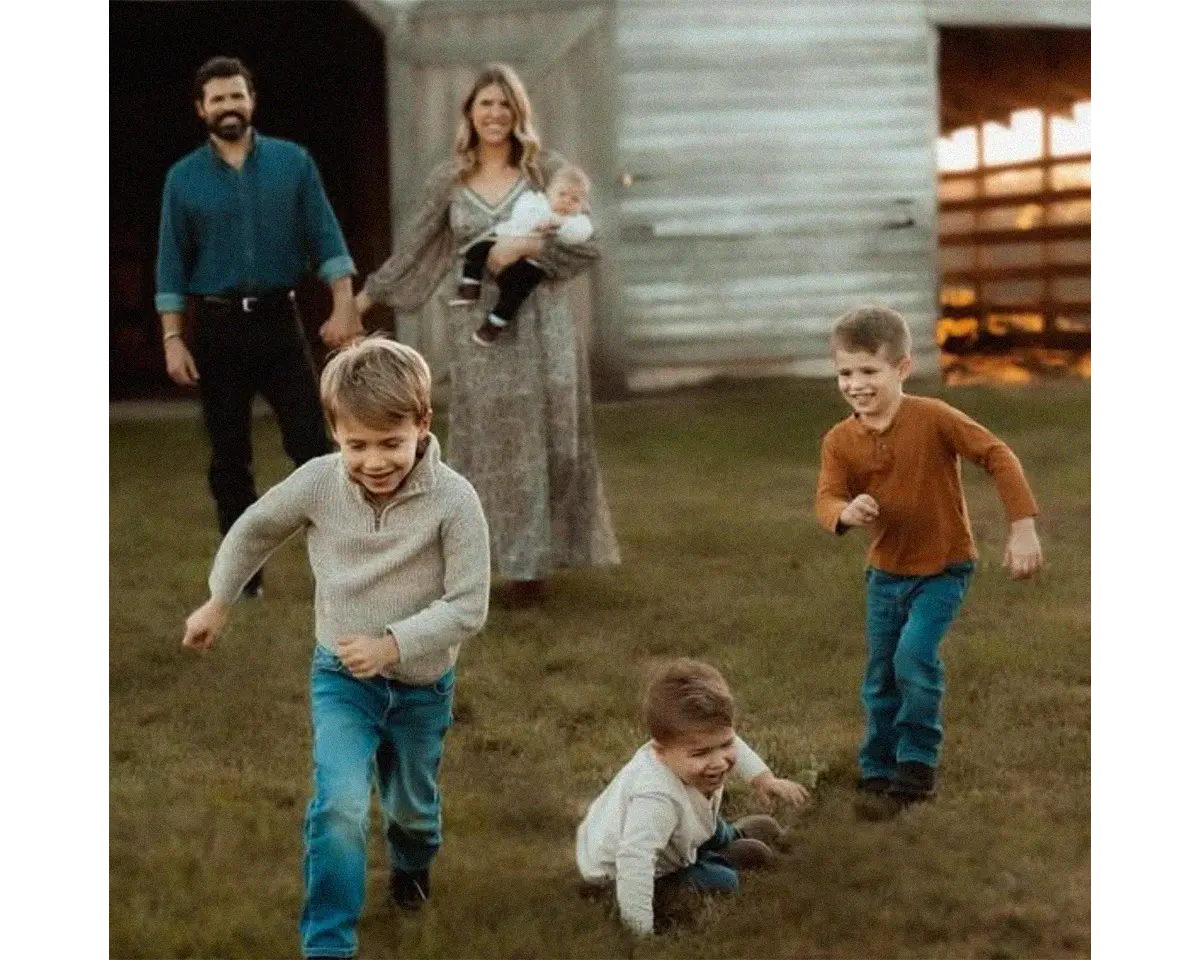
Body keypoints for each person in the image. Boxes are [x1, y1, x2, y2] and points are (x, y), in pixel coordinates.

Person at [181, 337, 489, 959]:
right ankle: (328, 943)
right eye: (356, 445)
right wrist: (219, 599)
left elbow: (468, 606)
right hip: (342, 680)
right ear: (335, 434)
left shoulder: (455, 501)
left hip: (422, 687)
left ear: (422, 423)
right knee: (340, 806)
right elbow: (255, 527)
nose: (374, 461)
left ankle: (411, 865)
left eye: (390, 443)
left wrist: (392, 646)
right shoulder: (319, 482)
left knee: (412, 811)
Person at [354, 63, 619, 607]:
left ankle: (533, 566)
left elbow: (589, 242)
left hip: (542, 322)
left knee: (547, 441)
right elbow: (417, 249)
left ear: (518, 113)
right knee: (492, 444)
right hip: (479, 331)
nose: (495, 114)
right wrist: (359, 302)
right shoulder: (449, 179)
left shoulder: (547, 171)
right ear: (469, 114)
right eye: (485, 104)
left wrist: (526, 247)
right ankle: (477, 562)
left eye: (504, 105)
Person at [814, 306, 1044, 815]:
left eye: (869, 370)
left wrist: (1022, 526)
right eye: (845, 373)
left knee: (913, 657)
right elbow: (827, 496)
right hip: (884, 575)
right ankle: (878, 765)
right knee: (881, 673)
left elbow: (997, 454)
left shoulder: (933, 418)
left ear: (902, 368)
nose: (856, 384)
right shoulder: (839, 441)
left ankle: (917, 763)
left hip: (943, 568)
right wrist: (844, 512)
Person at [156, 55, 363, 598]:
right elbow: (172, 264)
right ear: (201, 109)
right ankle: (244, 579)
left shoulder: (292, 164)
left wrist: (344, 305)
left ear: (252, 101)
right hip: (216, 328)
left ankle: (342, 565)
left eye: (237, 95)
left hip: (278, 322)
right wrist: (173, 338)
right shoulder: (183, 180)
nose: (229, 106)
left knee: (312, 445)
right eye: (217, 98)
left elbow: (326, 236)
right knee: (229, 458)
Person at [575, 658, 809, 937]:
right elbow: (635, 860)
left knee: (711, 824)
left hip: (677, 831)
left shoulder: (687, 746)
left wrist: (764, 779)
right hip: (626, 870)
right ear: (660, 751)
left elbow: (733, 743)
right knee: (724, 881)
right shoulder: (655, 798)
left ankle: (729, 836)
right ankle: (711, 863)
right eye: (701, 753)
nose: (719, 762)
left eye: (724, 745)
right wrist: (639, 934)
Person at [449, 164, 594, 346]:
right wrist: (542, 219)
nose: (566, 202)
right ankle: (470, 286)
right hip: (503, 239)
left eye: (575, 199)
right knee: (476, 250)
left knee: (515, 293)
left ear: (582, 205)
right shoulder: (534, 202)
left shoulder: (577, 221)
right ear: (548, 192)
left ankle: (494, 325)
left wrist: (560, 223)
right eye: (562, 194)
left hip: (532, 265)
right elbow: (521, 217)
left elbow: (581, 235)